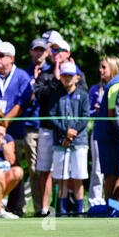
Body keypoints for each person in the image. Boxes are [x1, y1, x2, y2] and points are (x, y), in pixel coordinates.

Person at [34, 36, 88, 216]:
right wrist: (56, 79)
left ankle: (76, 208)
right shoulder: (46, 74)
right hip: (53, 132)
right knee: (53, 172)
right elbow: (43, 100)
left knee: (76, 175)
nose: (56, 54)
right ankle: (49, 209)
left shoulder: (79, 80)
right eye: (53, 50)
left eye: (60, 50)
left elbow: (84, 110)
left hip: (75, 137)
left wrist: (71, 133)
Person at [0, 41, 32, 216]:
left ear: (11, 58)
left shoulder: (22, 76)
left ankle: (14, 207)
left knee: (13, 167)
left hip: (14, 131)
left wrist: (2, 123)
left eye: (1, 55)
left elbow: (21, 104)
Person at [48, 62, 90, 215]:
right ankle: (62, 210)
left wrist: (73, 132)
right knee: (62, 177)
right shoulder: (55, 95)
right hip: (60, 141)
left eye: (70, 76)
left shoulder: (83, 95)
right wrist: (65, 132)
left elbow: (85, 117)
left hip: (79, 142)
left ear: (77, 78)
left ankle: (79, 210)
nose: (67, 78)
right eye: (64, 75)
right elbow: (52, 117)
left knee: (78, 177)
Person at [88, 56, 119, 208]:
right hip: (110, 136)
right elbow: (113, 116)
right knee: (112, 174)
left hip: (111, 135)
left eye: (104, 67)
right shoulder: (117, 85)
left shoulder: (116, 83)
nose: (100, 70)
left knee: (113, 173)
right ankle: (112, 207)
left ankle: (113, 207)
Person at [23, 38, 51, 214]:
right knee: (34, 170)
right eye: (36, 50)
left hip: (49, 126)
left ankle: (49, 206)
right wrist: (33, 85)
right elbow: (24, 101)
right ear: (31, 52)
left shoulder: (54, 71)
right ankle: (39, 207)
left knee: (48, 169)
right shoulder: (24, 73)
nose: (39, 53)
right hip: (30, 125)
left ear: (47, 52)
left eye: (42, 50)